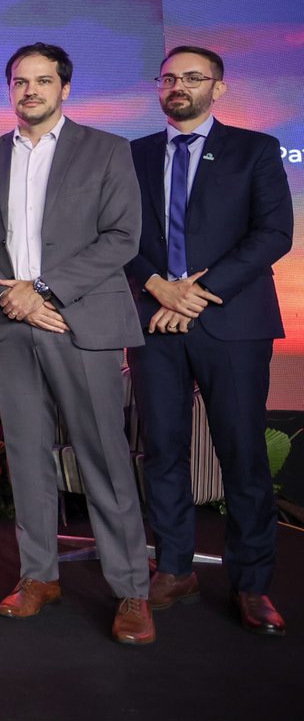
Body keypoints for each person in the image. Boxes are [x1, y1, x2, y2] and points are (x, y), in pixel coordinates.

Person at [0, 42, 154, 645]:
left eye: (43, 81)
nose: (31, 91)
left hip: (81, 324)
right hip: (10, 325)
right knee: (25, 456)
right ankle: (39, 575)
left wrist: (42, 290)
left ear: (64, 88)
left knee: (104, 458)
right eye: (21, 82)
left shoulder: (107, 150)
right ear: (10, 90)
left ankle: (131, 589)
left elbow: (122, 237)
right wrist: (9, 297)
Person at [125, 46, 292, 636]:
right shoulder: (134, 154)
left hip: (233, 325)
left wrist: (198, 292)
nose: (178, 86)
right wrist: (157, 288)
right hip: (153, 321)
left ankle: (252, 583)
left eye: (192, 78)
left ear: (217, 88)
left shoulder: (256, 149)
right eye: (168, 77)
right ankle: (174, 569)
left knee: (243, 454)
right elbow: (117, 235)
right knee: (162, 451)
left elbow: (274, 233)